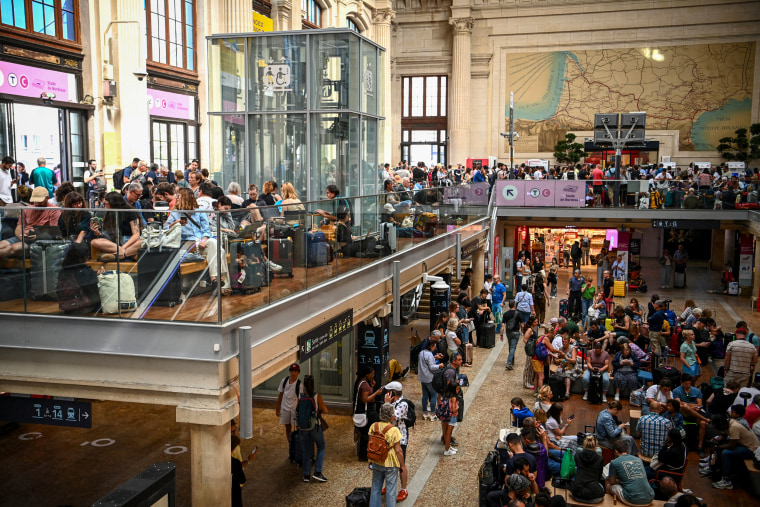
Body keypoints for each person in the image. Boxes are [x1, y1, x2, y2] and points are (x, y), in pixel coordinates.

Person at [164, 188, 230, 293]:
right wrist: (176, 222)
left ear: (184, 198)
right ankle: (220, 281)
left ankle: (214, 279)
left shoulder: (199, 212)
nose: (176, 198)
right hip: (186, 244)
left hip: (200, 242)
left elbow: (206, 231)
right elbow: (165, 229)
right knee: (220, 251)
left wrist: (204, 240)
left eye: (178, 196)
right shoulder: (175, 213)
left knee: (213, 243)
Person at [369, 403, 407, 507]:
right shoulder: (394, 430)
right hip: (390, 463)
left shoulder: (374, 426)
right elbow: (398, 450)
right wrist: (402, 465)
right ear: (391, 416)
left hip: (377, 460)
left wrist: (370, 460)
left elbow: (371, 445)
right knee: (391, 491)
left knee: (376, 488)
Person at [708, 413, 760, 489]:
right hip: (744, 444)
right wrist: (716, 439)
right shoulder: (730, 422)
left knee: (726, 453)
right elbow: (724, 435)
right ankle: (712, 467)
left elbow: (730, 446)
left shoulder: (734, 427)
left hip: (751, 449)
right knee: (719, 445)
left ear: (722, 425)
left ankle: (727, 481)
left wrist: (717, 447)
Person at [606, 440, 655, 506]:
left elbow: (612, 482)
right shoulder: (638, 460)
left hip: (632, 499)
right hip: (650, 498)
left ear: (616, 451)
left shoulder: (614, 462)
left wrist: (618, 480)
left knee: (608, 484)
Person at [298, 374, 328, 483]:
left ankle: (306, 475)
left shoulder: (300, 396)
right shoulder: (316, 396)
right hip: (315, 426)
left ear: (304, 385)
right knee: (321, 446)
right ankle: (318, 472)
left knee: (306, 449)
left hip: (303, 427)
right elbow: (325, 410)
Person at [385, 382, 410, 502]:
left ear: (393, 393)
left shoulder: (403, 404)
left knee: (401, 465)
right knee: (389, 463)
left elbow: (391, 417)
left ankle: (404, 489)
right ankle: (389, 485)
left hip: (400, 439)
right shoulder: (393, 403)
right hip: (389, 439)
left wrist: (386, 404)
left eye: (388, 392)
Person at [354, 365, 384, 461]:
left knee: (366, 432)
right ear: (367, 375)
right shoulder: (364, 385)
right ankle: (365, 453)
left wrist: (372, 386)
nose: (373, 376)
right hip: (368, 412)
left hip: (367, 410)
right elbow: (365, 399)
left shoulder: (364, 383)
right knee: (368, 432)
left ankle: (365, 453)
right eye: (372, 375)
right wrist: (376, 393)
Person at [570, 434, 605, 504]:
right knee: (602, 486)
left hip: (577, 494)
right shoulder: (600, 459)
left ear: (584, 446)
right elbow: (599, 477)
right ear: (595, 447)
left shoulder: (577, 456)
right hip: (594, 495)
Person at [275, 363, 301, 450]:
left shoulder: (299, 384)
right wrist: (277, 407)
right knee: (287, 426)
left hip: (294, 408)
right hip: (285, 407)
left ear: (298, 372)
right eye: (292, 371)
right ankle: (290, 444)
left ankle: (297, 443)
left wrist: (299, 411)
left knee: (297, 426)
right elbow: (281, 394)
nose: (293, 373)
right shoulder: (284, 381)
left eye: (295, 371)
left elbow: (299, 398)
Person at [418, 337, 444, 421]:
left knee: (425, 395)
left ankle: (425, 413)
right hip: (429, 378)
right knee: (434, 394)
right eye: (434, 346)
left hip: (422, 377)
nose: (435, 348)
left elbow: (426, 361)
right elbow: (432, 367)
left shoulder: (421, 353)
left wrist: (434, 357)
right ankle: (432, 414)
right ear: (430, 346)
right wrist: (439, 366)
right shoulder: (429, 354)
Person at [437, 381, 460, 455]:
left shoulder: (446, 395)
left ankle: (448, 447)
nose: (458, 391)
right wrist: (458, 407)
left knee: (446, 432)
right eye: (457, 389)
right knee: (448, 434)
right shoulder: (453, 398)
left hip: (445, 416)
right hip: (452, 417)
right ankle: (447, 450)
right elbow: (453, 410)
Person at [503, 300, 522, 370]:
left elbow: (502, 325)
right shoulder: (518, 314)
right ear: (514, 305)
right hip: (516, 332)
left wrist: (501, 334)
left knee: (510, 346)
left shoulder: (506, 314)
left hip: (508, 332)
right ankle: (509, 363)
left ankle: (511, 360)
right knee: (513, 347)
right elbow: (522, 325)